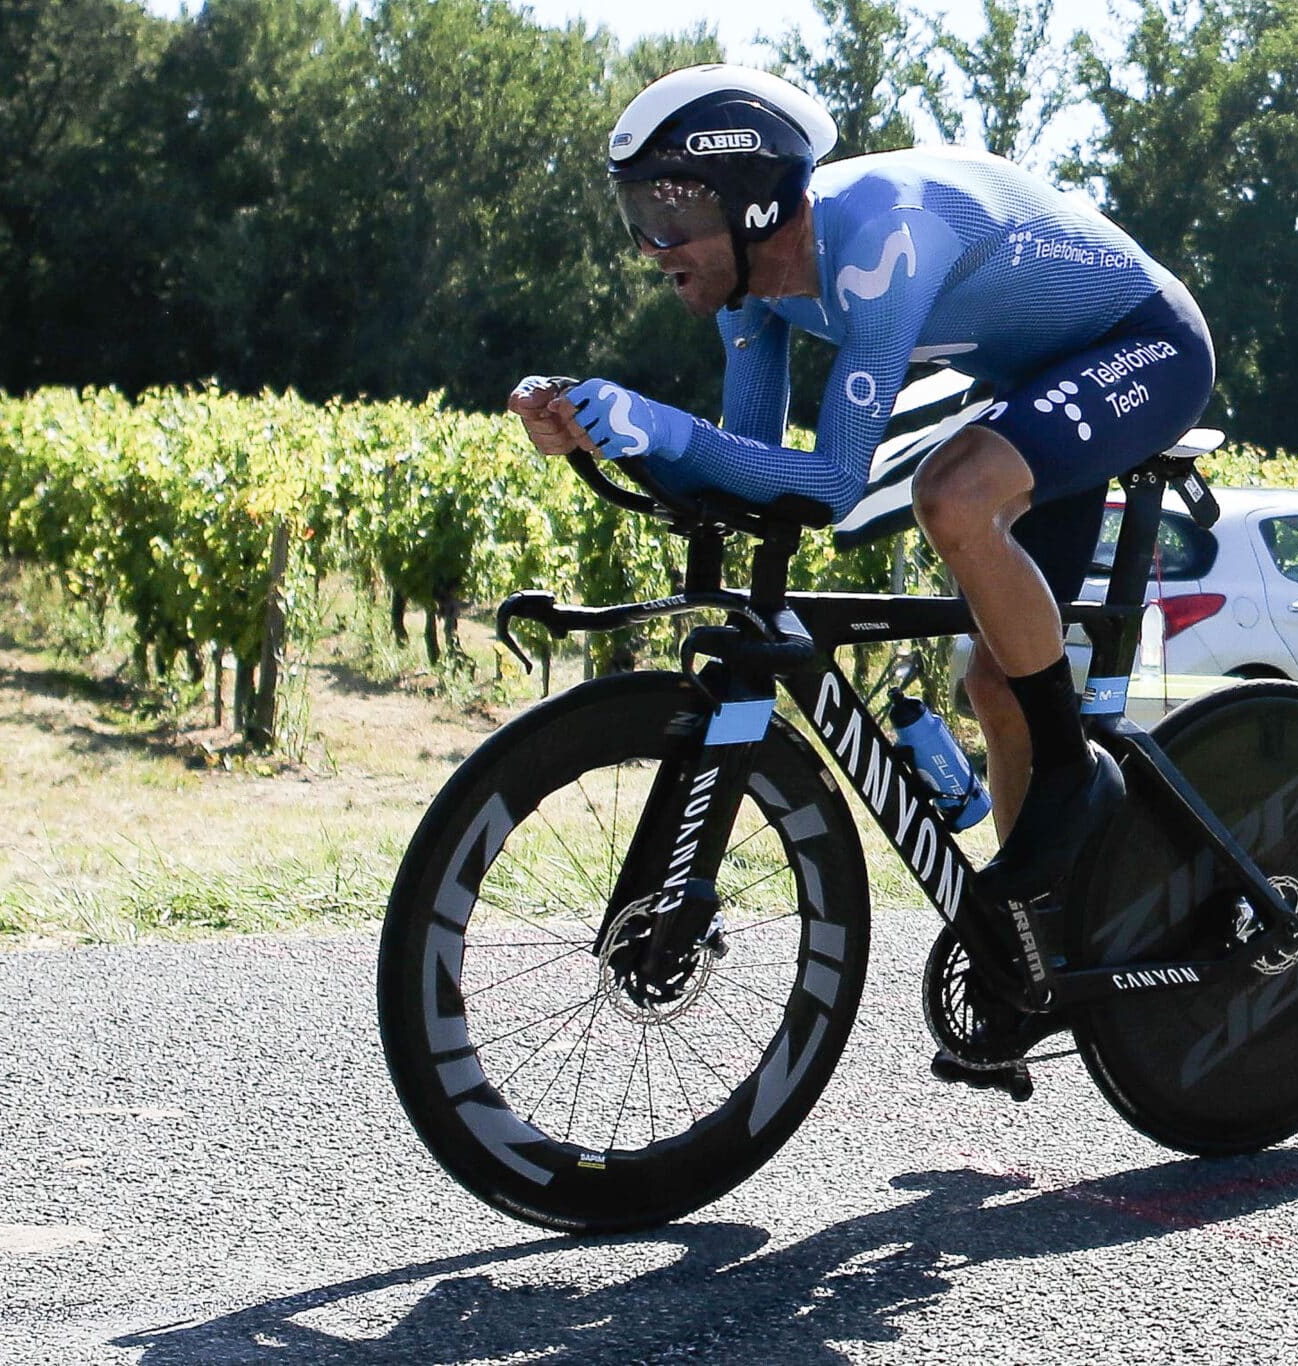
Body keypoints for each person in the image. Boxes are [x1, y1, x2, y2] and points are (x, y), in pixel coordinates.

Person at [512, 63, 1214, 917]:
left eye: (673, 217)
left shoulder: (884, 241)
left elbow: (836, 484)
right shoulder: (749, 292)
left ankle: (1074, 773)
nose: (655, 250)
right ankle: (1038, 944)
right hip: (1041, 378)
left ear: (753, 201)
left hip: (1146, 341)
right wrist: (601, 428)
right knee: (996, 686)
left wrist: (660, 426)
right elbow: (751, 468)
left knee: (952, 494)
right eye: (638, 219)